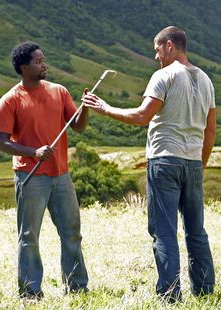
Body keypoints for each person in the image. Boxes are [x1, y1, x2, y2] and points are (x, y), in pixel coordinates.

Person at [82, 26, 216, 302]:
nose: (155, 56)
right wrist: (199, 165)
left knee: (164, 231)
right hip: (192, 162)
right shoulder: (205, 79)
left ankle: (169, 296)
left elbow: (143, 116)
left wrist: (104, 109)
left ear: (169, 45)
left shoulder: (164, 75)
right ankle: (204, 292)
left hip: (164, 159)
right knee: (196, 231)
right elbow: (210, 130)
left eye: (157, 49)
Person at [0, 41, 89, 299]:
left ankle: (77, 288)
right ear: (24, 67)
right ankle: (31, 293)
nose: (43, 64)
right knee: (29, 236)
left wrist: (86, 107)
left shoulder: (59, 91)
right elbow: (0, 142)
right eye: (38, 61)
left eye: (44, 59)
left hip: (61, 175)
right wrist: (32, 152)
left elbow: (77, 126)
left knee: (72, 233)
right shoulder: (10, 100)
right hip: (30, 176)